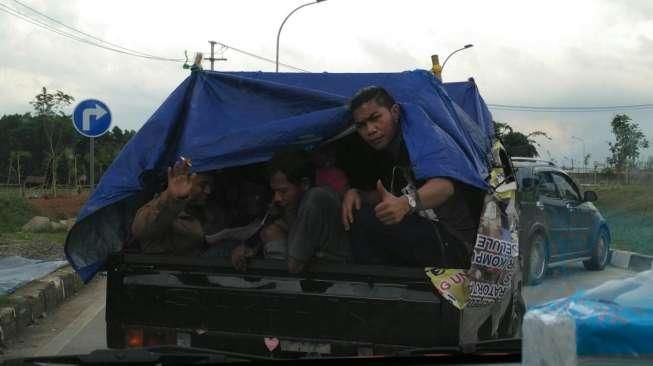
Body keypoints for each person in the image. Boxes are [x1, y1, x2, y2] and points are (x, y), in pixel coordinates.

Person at [341, 86, 484, 268]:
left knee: (366, 219)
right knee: (357, 211)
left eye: (375, 118)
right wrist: (357, 195)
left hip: (456, 243)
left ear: (395, 112)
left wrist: (405, 204)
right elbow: (388, 196)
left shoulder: (424, 137)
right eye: (361, 125)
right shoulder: (385, 153)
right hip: (424, 235)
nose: (370, 130)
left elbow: (444, 187)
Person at [231, 150, 350, 273]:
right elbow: (281, 226)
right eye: (275, 192)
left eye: (283, 191)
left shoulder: (316, 198)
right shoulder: (300, 202)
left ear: (305, 184)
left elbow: (294, 266)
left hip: (336, 278)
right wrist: (248, 246)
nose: (277, 198)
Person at [131, 158, 216, 255]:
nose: (208, 191)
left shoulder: (205, 211)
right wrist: (174, 198)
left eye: (210, 185)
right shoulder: (161, 207)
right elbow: (141, 230)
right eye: (202, 185)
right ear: (184, 181)